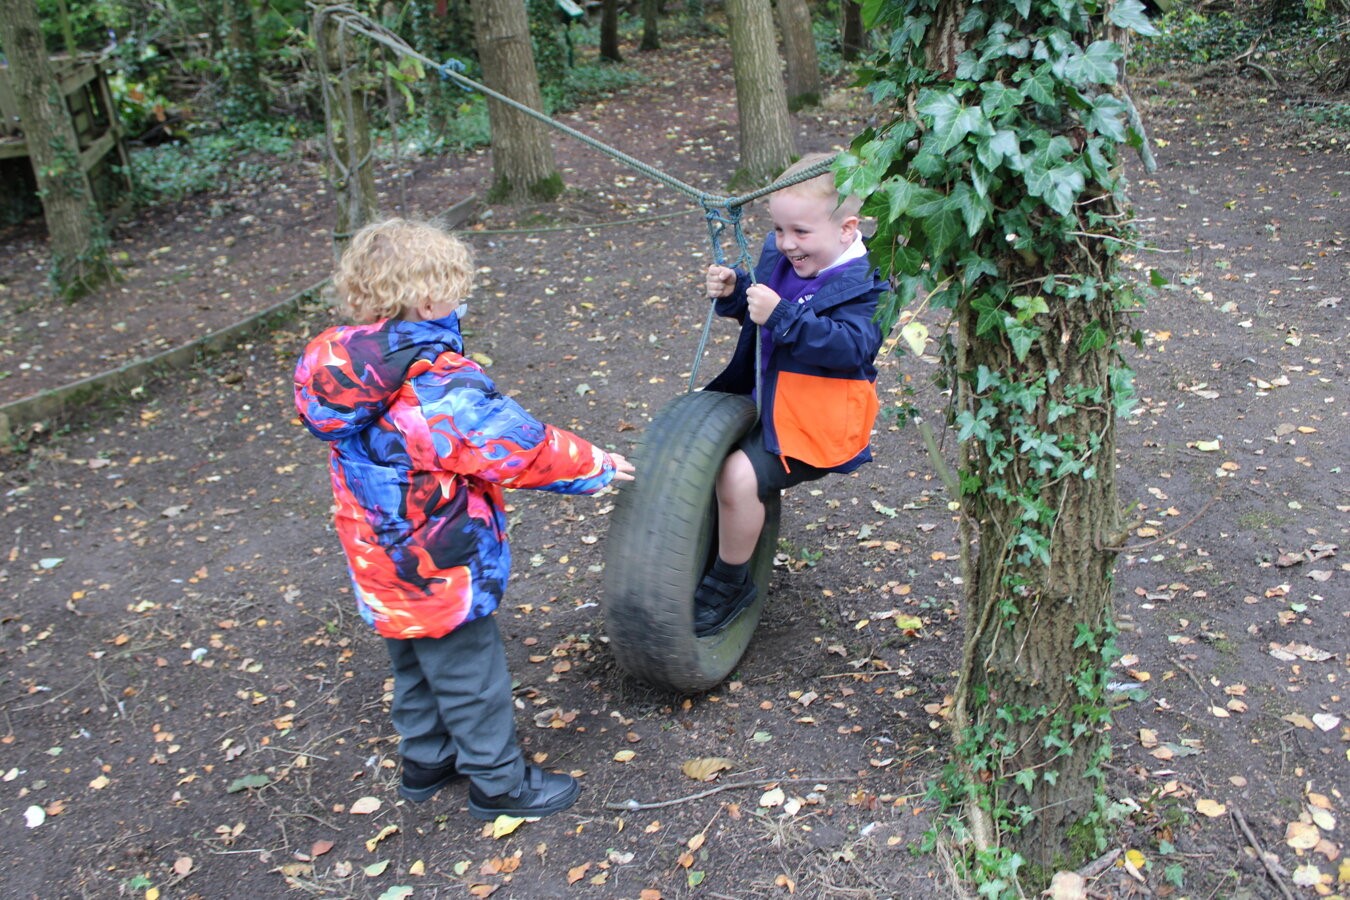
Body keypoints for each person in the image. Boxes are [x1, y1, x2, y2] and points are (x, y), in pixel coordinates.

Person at [293, 218, 634, 820]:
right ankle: (500, 783)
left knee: (413, 658)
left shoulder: (339, 364)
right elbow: (514, 446)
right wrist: (597, 465)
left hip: (375, 549)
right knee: (470, 673)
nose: (461, 302)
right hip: (437, 554)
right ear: (427, 298)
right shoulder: (433, 380)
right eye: (456, 291)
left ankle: (426, 760)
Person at [696, 152, 886, 636]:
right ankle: (700, 547)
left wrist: (782, 315)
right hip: (769, 402)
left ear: (847, 228)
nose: (786, 244)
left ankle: (732, 582)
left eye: (800, 232)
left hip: (817, 422)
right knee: (698, 456)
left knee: (738, 477)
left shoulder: (869, 283)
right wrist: (735, 291)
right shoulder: (782, 256)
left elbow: (852, 349)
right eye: (779, 230)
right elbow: (756, 309)